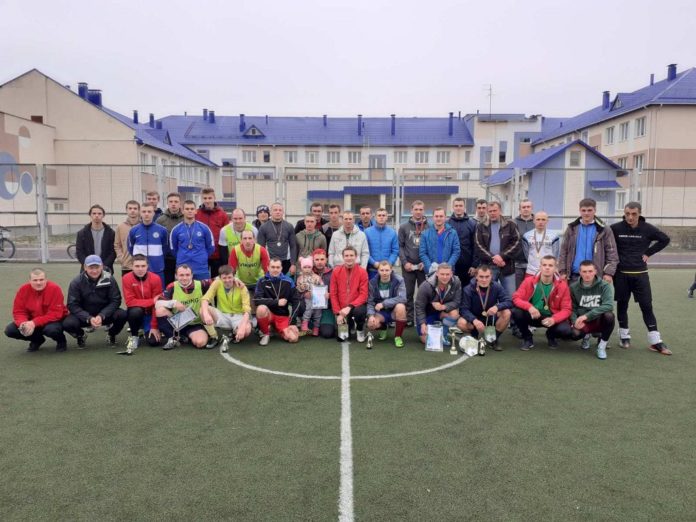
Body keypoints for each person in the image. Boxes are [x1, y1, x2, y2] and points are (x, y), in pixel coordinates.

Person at [610, 201, 671, 355]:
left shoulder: (648, 228)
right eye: (627, 214)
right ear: (624, 213)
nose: (630, 217)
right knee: (622, 305)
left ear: (639, 213)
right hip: (621, 274)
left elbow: (665, 239)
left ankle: (655, 341)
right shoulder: (615, 228)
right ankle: (624, 336)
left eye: (634, 214)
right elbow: (605, 242)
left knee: (646, 306)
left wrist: (648, 253)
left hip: (640, 275)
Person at [63, 255, 127, 347]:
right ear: (85, 267)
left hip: (105, 315)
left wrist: (102, 315)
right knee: (67, 323)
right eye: (91, 268)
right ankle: (81, 335)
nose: (94, 271)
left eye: (97, 267)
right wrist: (88, 317)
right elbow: (72, 305)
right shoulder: (76, 282)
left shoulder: (110, 279)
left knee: (122, 315)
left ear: (102, 266)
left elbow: (116, 300)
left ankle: (112, 334)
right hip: (85, 316)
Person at [511, 255, 572, 351]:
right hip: (534, 315)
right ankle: (527, 338)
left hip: (551, 317)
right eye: (544, 265)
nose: (547, 268)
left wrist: (554, 319)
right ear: (540, 267)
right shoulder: (529, 281)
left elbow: (567, 309)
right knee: (516, 312)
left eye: (550, 265)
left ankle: (550, 335)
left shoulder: (562, 285)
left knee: (566, 330)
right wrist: (530, 307)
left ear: (555, 268)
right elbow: (516, 298)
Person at [5, 268, 68, 352]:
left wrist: (34, 322)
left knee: (52, 330)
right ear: (30, 281)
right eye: (35, 280)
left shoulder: (55, 288)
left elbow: (55, 313)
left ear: (46, 280)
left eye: (41, 280)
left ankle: (61, 341)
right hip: (31, 321)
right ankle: (37, 340)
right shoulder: (23, 290)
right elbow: (19, 311)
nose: (38, 283)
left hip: (52, 321)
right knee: (10, 330)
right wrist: (23, 323)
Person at [558, 198, 618, 282]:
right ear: (579, 210)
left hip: (596, 277)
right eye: (584, 210)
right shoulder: (571, 228)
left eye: (589, 210)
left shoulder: (604, 229)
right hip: (574, 276)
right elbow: (563, 251)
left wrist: (608, 273)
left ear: (595, 210)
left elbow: (612, 253)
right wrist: (562, 271)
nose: (586, 213)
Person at [154, 264, 213, 350]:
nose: (184, 278)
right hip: (177, 322)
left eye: (187, 275)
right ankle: (172, 337)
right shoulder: (172, 286)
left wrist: (233, 279)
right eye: (181, 275)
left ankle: (184, 336)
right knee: (160, 311)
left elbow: (219, 280)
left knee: (200, 343)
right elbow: (157, 303)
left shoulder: (201, 284)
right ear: (176, 276)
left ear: (192, 275)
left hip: (195, 324)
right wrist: (173, 303)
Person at [457, 265, 512, 351]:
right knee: (461, 323)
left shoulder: (497, 286)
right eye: (481, 277)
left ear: (491, 276)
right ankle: (474, 335)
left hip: (491, 317)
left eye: (487, 277)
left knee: (507, 312)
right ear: (476, 276)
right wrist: (474, 320)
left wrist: (497, 307)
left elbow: (508, 301)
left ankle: (493, 339)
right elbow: (463, 309)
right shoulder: (468, 289)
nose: (484, 280)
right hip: (474, 318)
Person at [569, 261, 616, 360]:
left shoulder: (604, 285)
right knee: (574, 334)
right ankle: (586, 336)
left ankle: (601, 346)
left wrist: (587, 316)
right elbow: (572, 308)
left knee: (609, 316)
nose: (587, 274)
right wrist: (574, 321)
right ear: (580, 272)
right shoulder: (573, 287)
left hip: (598, 319)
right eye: (584, 271)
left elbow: (608, 305)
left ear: (595, 271)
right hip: (583, 321)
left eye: (590, 271)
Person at [200, 265, 253, 352]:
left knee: (246, 330)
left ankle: (234, 333)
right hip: (222, 314)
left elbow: (247, 310)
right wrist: (206, 314)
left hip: (238, 316)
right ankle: (214, 337)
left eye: (229, 277)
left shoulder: (242, 287)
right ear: (220, 278)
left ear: (234, 276)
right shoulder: (217, 283)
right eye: (224, 278)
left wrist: (242, 327)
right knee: (203, 310)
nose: (227, 280)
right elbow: (205, 299)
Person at [474, 200, 521, 298]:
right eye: (490, 211)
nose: (492, 213)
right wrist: (494, 258)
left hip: (507, 266)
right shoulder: (481, 226)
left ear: (500, 210)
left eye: (495, 210)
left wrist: (501, 256)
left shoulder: (511, 225)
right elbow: (478, 246)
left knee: (510, 296)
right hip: (488, 267)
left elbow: (517, 243)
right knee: (487, 297)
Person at [122, 254, 163, 353]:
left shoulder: (156, 278)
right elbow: (130, 302)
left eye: (143, 266)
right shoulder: (126, 278)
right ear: (132, 266)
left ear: (147, 266)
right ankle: (134, 335)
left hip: (151, 314)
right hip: (136, 313)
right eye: (137, 266)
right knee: (135, 311)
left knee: (154, 342)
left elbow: (157, 304)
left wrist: (154, 326)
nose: (140, 269)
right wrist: (152, 301)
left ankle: (147, 329)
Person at [254, 258, 301, 345]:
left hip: (282, 316)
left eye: (278, 267)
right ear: (268, 267)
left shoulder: (288, 281)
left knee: (293, 338)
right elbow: (257, 300)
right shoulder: (262, 281)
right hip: (268, 315)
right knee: (261, 309)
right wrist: (277, 302)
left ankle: (274, 328)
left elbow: (296, 301)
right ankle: (266, 334)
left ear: (281, 268)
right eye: (273, 267)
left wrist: (293, 322)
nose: (275, 270)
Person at [414, 263, 461, 346]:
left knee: (454, 313)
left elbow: (457, 301)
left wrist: (443, 307)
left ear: (451, 274)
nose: (445, 277)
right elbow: (419, 307)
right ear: (437, 274)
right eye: (442, 274)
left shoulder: (456, 282)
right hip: (428, 314)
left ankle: (444, 333)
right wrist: (422, 324)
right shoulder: (426, 286)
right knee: (426, 340)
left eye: (447, 274)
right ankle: (434, 328)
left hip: (443, 312)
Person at [398, 200, 429, 326]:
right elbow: (400, 246)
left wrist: (425, 262)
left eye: (420, 209)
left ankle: (423, 319)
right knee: (408, 293)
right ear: (411, 210)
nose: (418, 212)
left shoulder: (429, 227)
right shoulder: (403, 227)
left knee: (424, 293)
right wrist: (405, 262)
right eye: (416, 209)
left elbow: (431, 246)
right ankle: (410, 318)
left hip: (423, 266)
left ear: (424, 210)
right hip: (408, 267)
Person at [330, 246, 369, 342]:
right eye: (346, 255)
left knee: (359, 312)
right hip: (341, 310)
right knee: (341, 338)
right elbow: (333, 294)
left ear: (356, 256)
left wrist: (350, 306)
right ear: (343, 257)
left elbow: (364, 295)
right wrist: (338, 313)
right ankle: (350, 325)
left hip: (355, 307)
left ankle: (360, 329)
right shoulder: (336, 271)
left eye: (351, 255)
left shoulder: (362, 272)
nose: (349, 258)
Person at [170, 200, 215, 280]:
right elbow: (173, 249)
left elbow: (211, 247)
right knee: (182, 288)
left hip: (201, 268)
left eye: (192, 209)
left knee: (203, 288)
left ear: (195, 211)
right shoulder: (176, 229)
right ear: (182, 211)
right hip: (182, 268)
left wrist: (202, 257)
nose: (189, 211)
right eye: (187, 209)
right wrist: (183, 256)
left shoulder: (204, 228)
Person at [366, 261, 407, 348]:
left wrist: (384, 303)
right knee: (371, 324)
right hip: (380, 312)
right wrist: (371, 315)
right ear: (378, 271)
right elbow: (370, 302)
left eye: (387, 270)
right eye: (382, 270)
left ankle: (398, 337)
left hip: (394, 310)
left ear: (391, 270)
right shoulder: (372, 282)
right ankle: (384, 327)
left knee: (401, 307)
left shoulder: (399, 280)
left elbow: (403, 298)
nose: (384, 273)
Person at [128, 202, 169, 287]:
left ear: (153, 213)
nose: (146, 214)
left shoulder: (162, 230)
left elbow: (165, 248)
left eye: (149, 211)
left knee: (159, 292)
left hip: (157, 268)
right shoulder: (133, 230)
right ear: (140, 213)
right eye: (144, 211)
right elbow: (131, 248)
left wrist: (158, 259)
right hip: (140, 270)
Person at [195, 187, 230, 278]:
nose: (207, 201)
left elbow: (227, 234)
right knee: (202, 281)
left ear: (214, 198)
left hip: (217, 255)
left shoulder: (222, 214)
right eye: (205, 198)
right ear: (202, 199)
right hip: (201, 255)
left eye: (210, 198)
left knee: (216, 281)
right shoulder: (196, 214)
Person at [257, 203, 298, 275]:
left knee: (284, 281)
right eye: (275, 210)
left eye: (280, 210)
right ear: (270, 212)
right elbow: (260, 248)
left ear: (283, 212)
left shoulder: (289, 226)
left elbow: (293, 246)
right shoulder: (263, 227)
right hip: (270, 261)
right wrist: (262, 264)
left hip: (286, 261)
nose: (278, 212)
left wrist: (293, 264)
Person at [75, 204, 116, 273]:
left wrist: (103, 266)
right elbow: (79, 252)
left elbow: (113, 252)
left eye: (99, 213)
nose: (96, 215)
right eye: (94, 213)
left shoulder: (111, 233)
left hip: (105, 268)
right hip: (87, 270)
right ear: (90, 215)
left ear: (103, 215)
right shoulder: (82, 233)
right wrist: (88, 265)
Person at [419, 207, 460, 275]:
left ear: (445, 217)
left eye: (441, 216)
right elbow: (422, 253)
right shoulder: (425, 234)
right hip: (431, 272)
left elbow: (456, 252)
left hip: (447, 273)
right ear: (433, 217)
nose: (438, 218)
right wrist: (430, 267)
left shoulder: (452, 233)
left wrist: (448, 267)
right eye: (436, 216)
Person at [228, 229, 270, 293]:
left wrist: (267, 283)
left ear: (254, 240)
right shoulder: (235, 250)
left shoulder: (262, 250)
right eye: (245, 238)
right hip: (241, 282)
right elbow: (231, 270)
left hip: (258, 282)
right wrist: (234, 279)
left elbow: (267, 270)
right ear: (241, 240)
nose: (247, 241)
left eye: (250, 238)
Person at [448, 196, 478, 286]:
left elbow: (475, 246)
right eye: (456, 206)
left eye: (460, 206)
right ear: (453, 207)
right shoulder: (447, 224)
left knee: (467, 290)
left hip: (467, 266)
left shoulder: (472, 224)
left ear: (464, 207)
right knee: (452, 290)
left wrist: (474, 265)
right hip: (451, 264)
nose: (458, 208)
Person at [522, 211, 561, 278]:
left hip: (548, 272)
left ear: (547, 221)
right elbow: (526, 254)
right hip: (531, 271)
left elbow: (555, 255)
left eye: (543, 219)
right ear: (534, 220)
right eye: (538, 219)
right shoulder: (526, 235)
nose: (540, 222)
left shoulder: (554, 236)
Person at [156, 192, 184, 286]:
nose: (173, 204)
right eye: (171, 201)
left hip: (181, 258)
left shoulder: (185, 219)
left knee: (181, 284)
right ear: (167, 203)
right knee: (168, 285)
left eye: (176, 201)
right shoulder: (160, 220)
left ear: (180, 203)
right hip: (166, 259)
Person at [365, 208, 399, 279]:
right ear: (375, 217)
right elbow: (365, 251)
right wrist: (373, 263)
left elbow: (395, 251)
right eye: (379, 215)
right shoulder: (367, 232)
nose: (381, 217)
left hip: (387, 271)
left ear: (387, 217)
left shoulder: (392, 233)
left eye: (383, 215)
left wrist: (389, 263)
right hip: (372, 270)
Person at [295, 256, 324, 336]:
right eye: (305, 267)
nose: (307, 269)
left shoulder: (316, 277)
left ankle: (316, 328)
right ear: (302, 268)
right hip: (308, 298)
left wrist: (322, 291)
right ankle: (304, 323)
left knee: (318, 314)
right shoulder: (300, 278)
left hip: (318, 298)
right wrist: (303, 290)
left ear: (312, 267)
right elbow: (298, 288)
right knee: (309, 309)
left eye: (309, 267)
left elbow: (322, 285)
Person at [312, 248, 336, 339]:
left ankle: (324, 322)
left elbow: (338, 291)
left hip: (327, 308)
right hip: (311, 307)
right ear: (313, 260)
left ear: (326, 260)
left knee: (327, 333)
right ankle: (308, 322)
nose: (319, 262)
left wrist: (331, 295)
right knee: (301, 306)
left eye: (322, 259)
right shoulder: (308, 271)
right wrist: (305, 294)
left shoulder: (333, 273)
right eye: (317, 259)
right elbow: (298, 291)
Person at [114, 200, 140, 279]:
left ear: (139, 210)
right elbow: (117, 245)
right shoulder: (120, 227)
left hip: (141, 266)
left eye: (135, 208)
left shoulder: (143, 226)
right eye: (130, 208)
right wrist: (121, 258)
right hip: (126, 266)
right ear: (126, 210)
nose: (132, 211)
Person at [514, 199, 535, 288]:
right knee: (518, 290)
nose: (526, 209)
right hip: (517, 264)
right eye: (523, 207)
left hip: (534, 264)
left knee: (532, 289)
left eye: (528, 207)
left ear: (532, 208)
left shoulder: (537, 222)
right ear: (520, 209)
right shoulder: (513, 222)